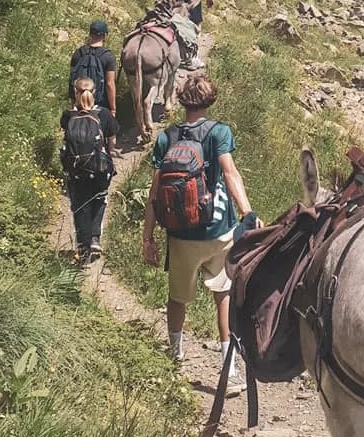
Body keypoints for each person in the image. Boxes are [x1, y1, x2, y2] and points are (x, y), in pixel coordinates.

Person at [142, 72, 257, 388]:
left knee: (177, 298)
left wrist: (148, 237)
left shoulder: (167, 137)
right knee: (223, 295)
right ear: (210, 100)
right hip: (219, 229)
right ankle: (228, 370)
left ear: (182, 101)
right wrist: (247, 212)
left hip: (181, 233)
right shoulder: (219, 132)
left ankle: (175, 359)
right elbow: (230, 172)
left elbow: (155, 192)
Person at [60, 76, 119, 261]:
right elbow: (112, 139)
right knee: (99, 200)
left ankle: (82, 245)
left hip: (76, 171)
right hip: (99, 169)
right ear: (94, 92)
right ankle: (95, 239)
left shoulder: (68, 116)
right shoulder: (103, 114)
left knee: (79, 205)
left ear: (75, 93)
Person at [68, 20, 117, 118]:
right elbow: (109, 84)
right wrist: (113, 108)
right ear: (105, 36)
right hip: (99, 104)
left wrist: (74, 102)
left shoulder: (78, 53)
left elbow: (72, 79)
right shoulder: (108, 56)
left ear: (90, 34)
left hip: (79, 103)